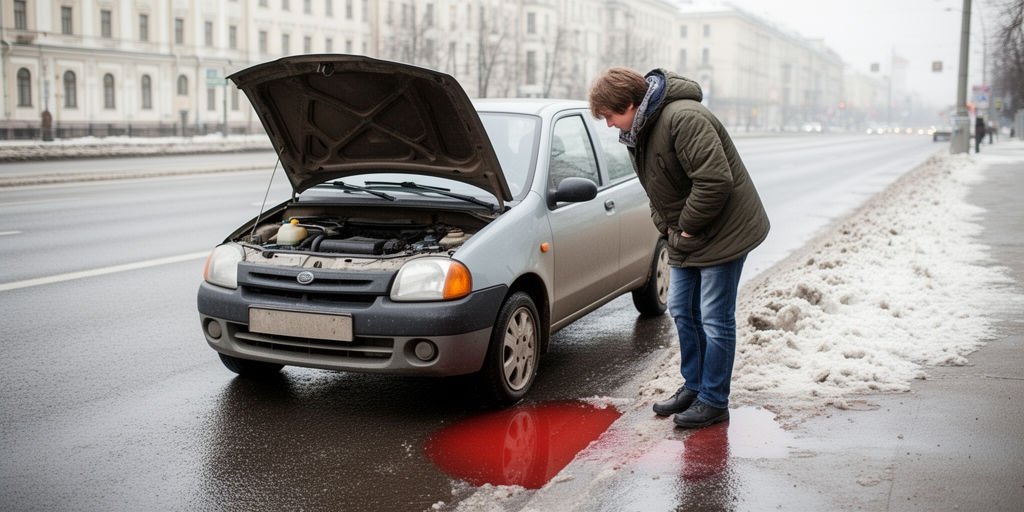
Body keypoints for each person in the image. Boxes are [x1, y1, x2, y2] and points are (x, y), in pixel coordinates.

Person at [588, 67, 770, 429]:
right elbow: (655, 189)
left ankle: (715, 401)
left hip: (724, 230)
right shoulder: (638, 131)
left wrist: (684, 226)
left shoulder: (684, 118)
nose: (609, 124)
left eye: (610, 116)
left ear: (629, 104)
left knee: (715, 318)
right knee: (683, 311)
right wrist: (668, 227)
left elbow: (715, 181)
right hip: (687, 232)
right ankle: (696, 386)